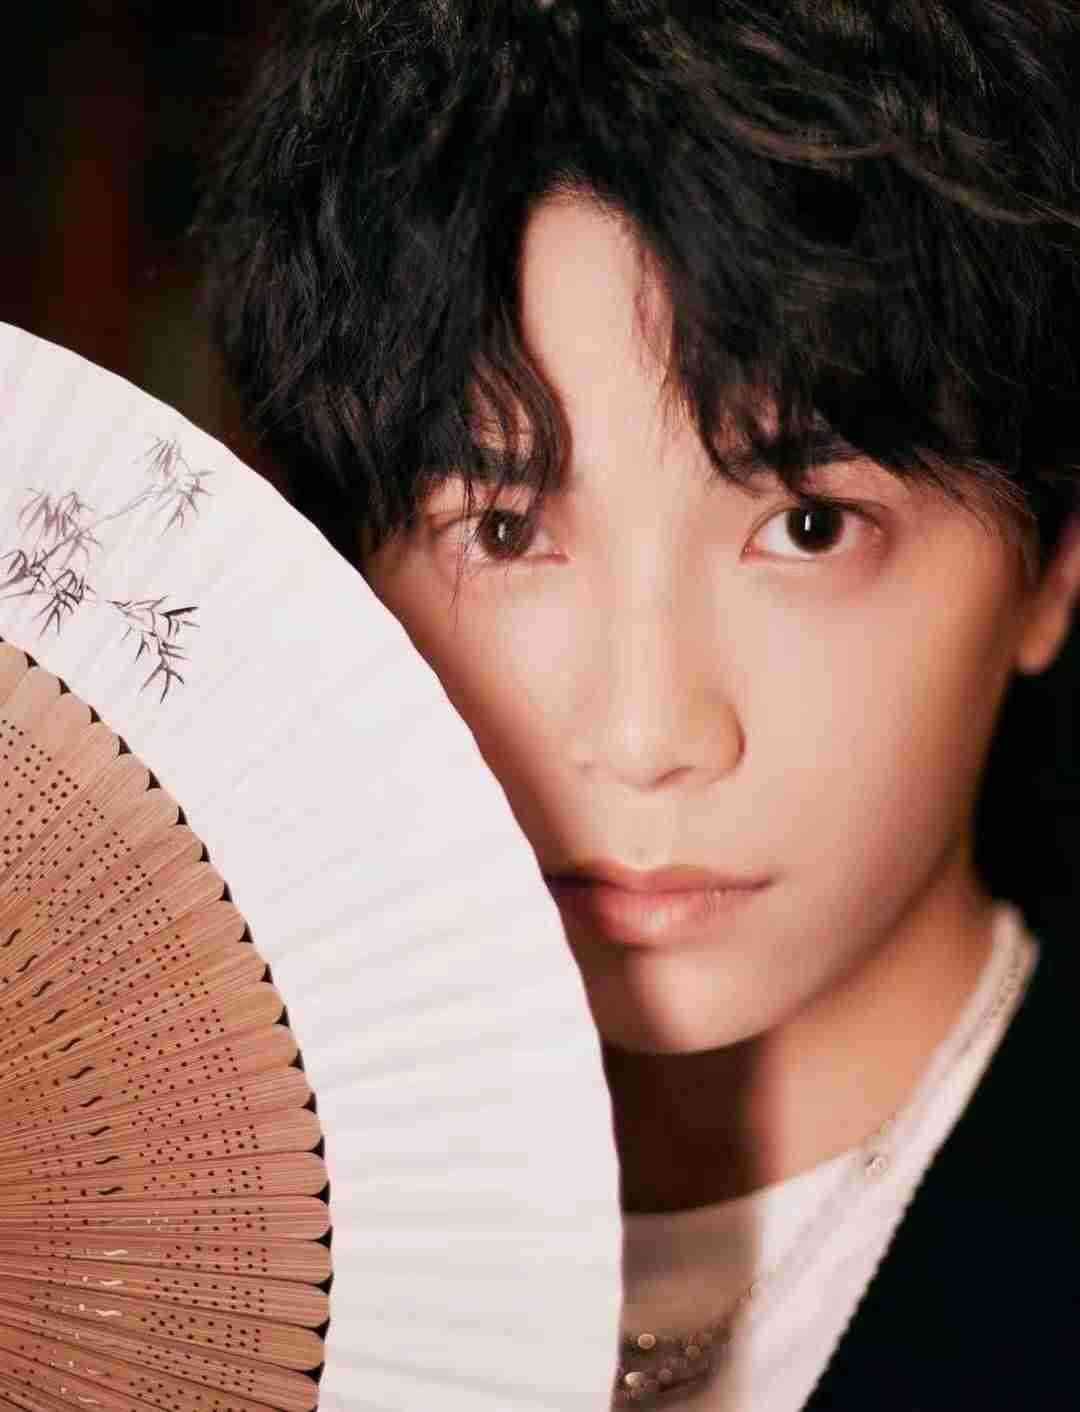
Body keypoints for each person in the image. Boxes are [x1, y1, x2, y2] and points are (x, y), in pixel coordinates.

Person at [194, 2, 1080, 1406]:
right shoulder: (205, 1225)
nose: (647, 735)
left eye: (807, 527)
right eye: (502, 532)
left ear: (1053, 566)